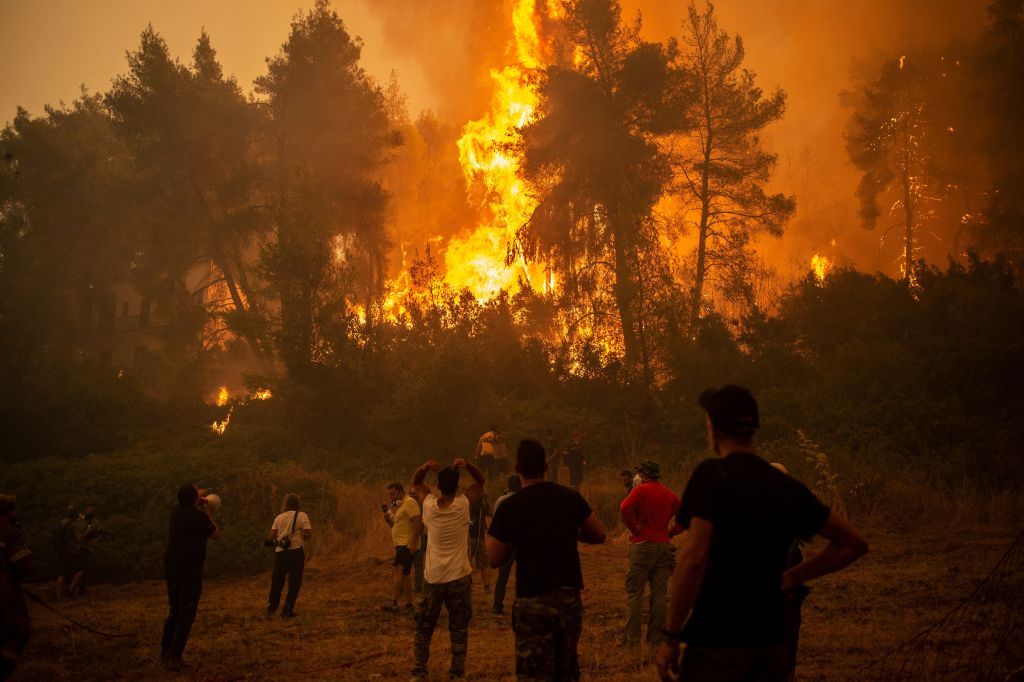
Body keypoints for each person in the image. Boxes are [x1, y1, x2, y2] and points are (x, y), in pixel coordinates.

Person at [656, 386, 868, 682]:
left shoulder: (712, 476)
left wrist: (670, 637)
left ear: (713, 428)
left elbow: (694, 558)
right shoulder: (786, 486)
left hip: (718, 637)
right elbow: (853, 543)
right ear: (752, 427)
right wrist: (795, 575)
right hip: (772, 637)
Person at [487, 439, 607, 680]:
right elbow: (599, 534)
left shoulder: (511, 507)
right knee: (567, 667)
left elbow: (494, 558)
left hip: (532, 598)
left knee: (533, 671)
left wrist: (514, 540)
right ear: (545, 467)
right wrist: (568, 530)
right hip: (567, 596)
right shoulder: (569, 497)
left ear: (517, 469)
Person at [411, 457, 486, 679]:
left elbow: (416, 483)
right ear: (458, 486)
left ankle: (419, 670)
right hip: (459, 576)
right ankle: (457, 671)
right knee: (459, 627)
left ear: (438, 487)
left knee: (424, 627)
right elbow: (481, 481)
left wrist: (424, 467)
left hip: (433, 577)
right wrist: (468, 465)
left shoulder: (429, 506)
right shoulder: (463, 504)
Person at [619, 460, 681, 647]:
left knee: (635, 593)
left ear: (643, 475)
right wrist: (671, 532)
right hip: (663, 546)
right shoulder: (668, 493)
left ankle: (632, 640)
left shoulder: (640, 490)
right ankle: (655, 639)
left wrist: (634, 527)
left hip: (642, 544)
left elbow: (624, 508)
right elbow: (685, 516)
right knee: (660, 595)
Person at [162, 484, 220, 671]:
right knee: (187, 613)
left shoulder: (175, 512)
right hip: (190, 570)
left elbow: (186, 497)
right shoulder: (200, 517)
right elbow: (216, 534)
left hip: (172, 568)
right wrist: (207, 510)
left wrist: (198, 496)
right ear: (194, 499)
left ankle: (165, 652)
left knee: (175, 610)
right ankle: (175, 656)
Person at [0, 494, 31, 682]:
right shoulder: (10, 532)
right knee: (17, 632)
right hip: (6, 598)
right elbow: (25, 566)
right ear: (9, 511)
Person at [266, 493, 312, 618]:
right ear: (298, 503)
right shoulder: (302, 515)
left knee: (277, 581)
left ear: (285, 504)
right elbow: (308, 534)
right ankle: (287, 609)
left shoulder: (278, 518)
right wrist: (300, 536)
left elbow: (271, 537)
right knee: (294, 582)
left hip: (280, 553)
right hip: (296, 551)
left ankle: (271, 609)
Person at [381, 482, 421, 613]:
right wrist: (389, 520)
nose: (391, 497)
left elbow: (417, 522)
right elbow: (397, 526)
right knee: (405, 575)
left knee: (398, 570)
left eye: (392, 494)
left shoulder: (410, 502)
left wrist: (414, 542)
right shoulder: (401, 505)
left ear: (399, 491)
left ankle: (394, 602)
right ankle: (409, 604)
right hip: (402, 544)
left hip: (406, 544)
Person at [491, 474, 521, 615]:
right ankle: (522, 604)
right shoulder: (526, 499)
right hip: (522, 542)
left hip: (505, 541)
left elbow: (495, 521)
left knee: (502, 576)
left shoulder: (501, 500)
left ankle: (497, 605)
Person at [67, 505, 102, 597]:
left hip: (90, 547)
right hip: (81, 548)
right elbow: (78, 535)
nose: (90, 513)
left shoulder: (95, 521)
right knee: (81, 570)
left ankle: (80, 590)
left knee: (85, 571)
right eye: (88, 511)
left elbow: (99, 533)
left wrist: (95, 540)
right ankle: (73, 589)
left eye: (91, 511)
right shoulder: (80, 522)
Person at [468, 491, 493, 594]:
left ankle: (486, 587)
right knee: (480, 563)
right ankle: (486, 587)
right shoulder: (474, 502)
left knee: (470, 563)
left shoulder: (468, 501)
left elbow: (489, 513)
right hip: (472, 538)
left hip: (472, 537)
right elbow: (489, 512)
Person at [53, 505, 77, 600]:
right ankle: (72, 593)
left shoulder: (62, 522)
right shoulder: (73, 524)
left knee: (62, 573)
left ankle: (59, 595)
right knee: (73, 572)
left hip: (61, 549)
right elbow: (77, 537)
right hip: (70, 550)